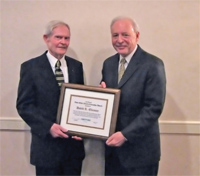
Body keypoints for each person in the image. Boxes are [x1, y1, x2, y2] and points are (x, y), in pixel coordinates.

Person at [16, 20, 85, 176]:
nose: (63, 42)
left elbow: (80, 102)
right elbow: (24, 106)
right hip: (46, 150)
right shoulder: (30, 67)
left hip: (73, 150)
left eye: (66, 38)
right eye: (58, 37)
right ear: (46, 39)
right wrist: (48, 127)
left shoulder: (76, 66)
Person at [100, 16, 166, 176]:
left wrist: (125, 135)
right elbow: (109, 100)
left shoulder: (153, 64)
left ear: (137, 35)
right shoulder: (108, 64)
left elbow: (153, 108)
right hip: (113, 152)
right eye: (115, 35)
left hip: (141, 154)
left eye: (125, 35)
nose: (119, 40)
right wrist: (101, 96)